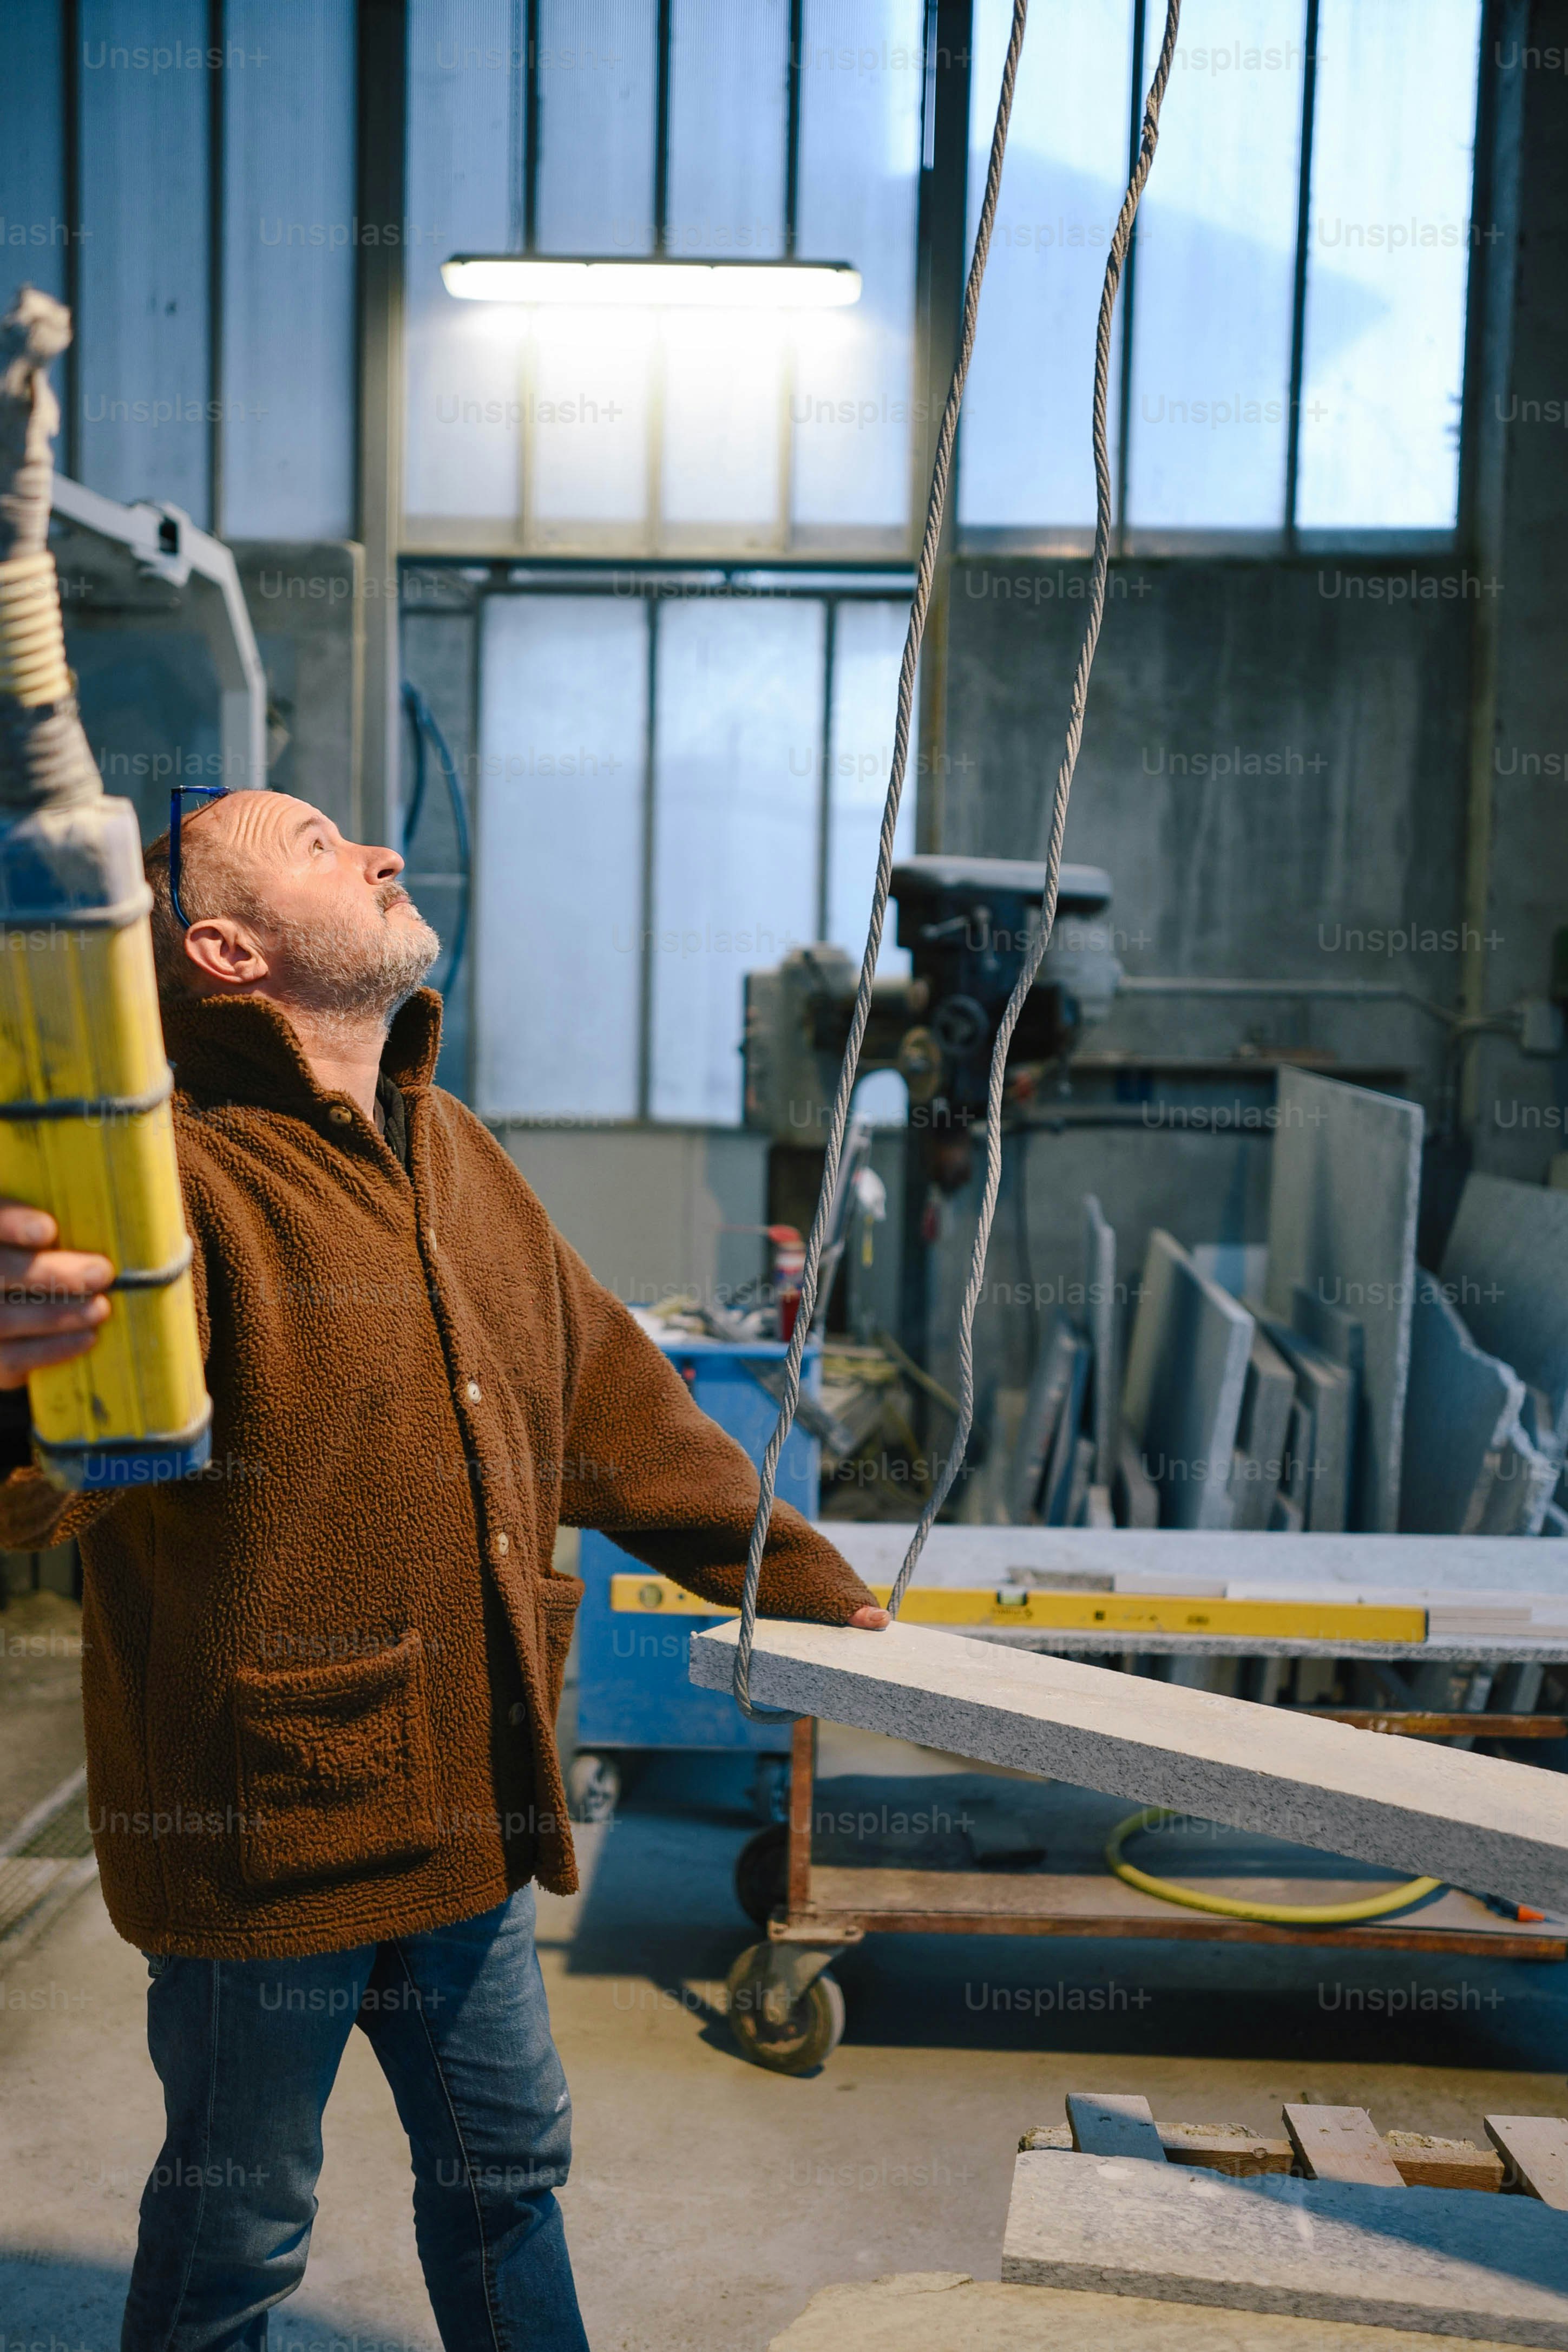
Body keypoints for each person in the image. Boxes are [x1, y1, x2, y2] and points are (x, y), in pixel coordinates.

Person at [0, 787, 888, 2352]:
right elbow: (51, 1475)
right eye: (318, 846)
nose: (378, 852)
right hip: (265, 1831)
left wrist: (804, 1578)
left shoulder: (450, 1145)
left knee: (509, 2175)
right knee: (237, 2227)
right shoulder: (175, 1184)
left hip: (469, 1803)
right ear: (227, 948)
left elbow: (613, 1401)